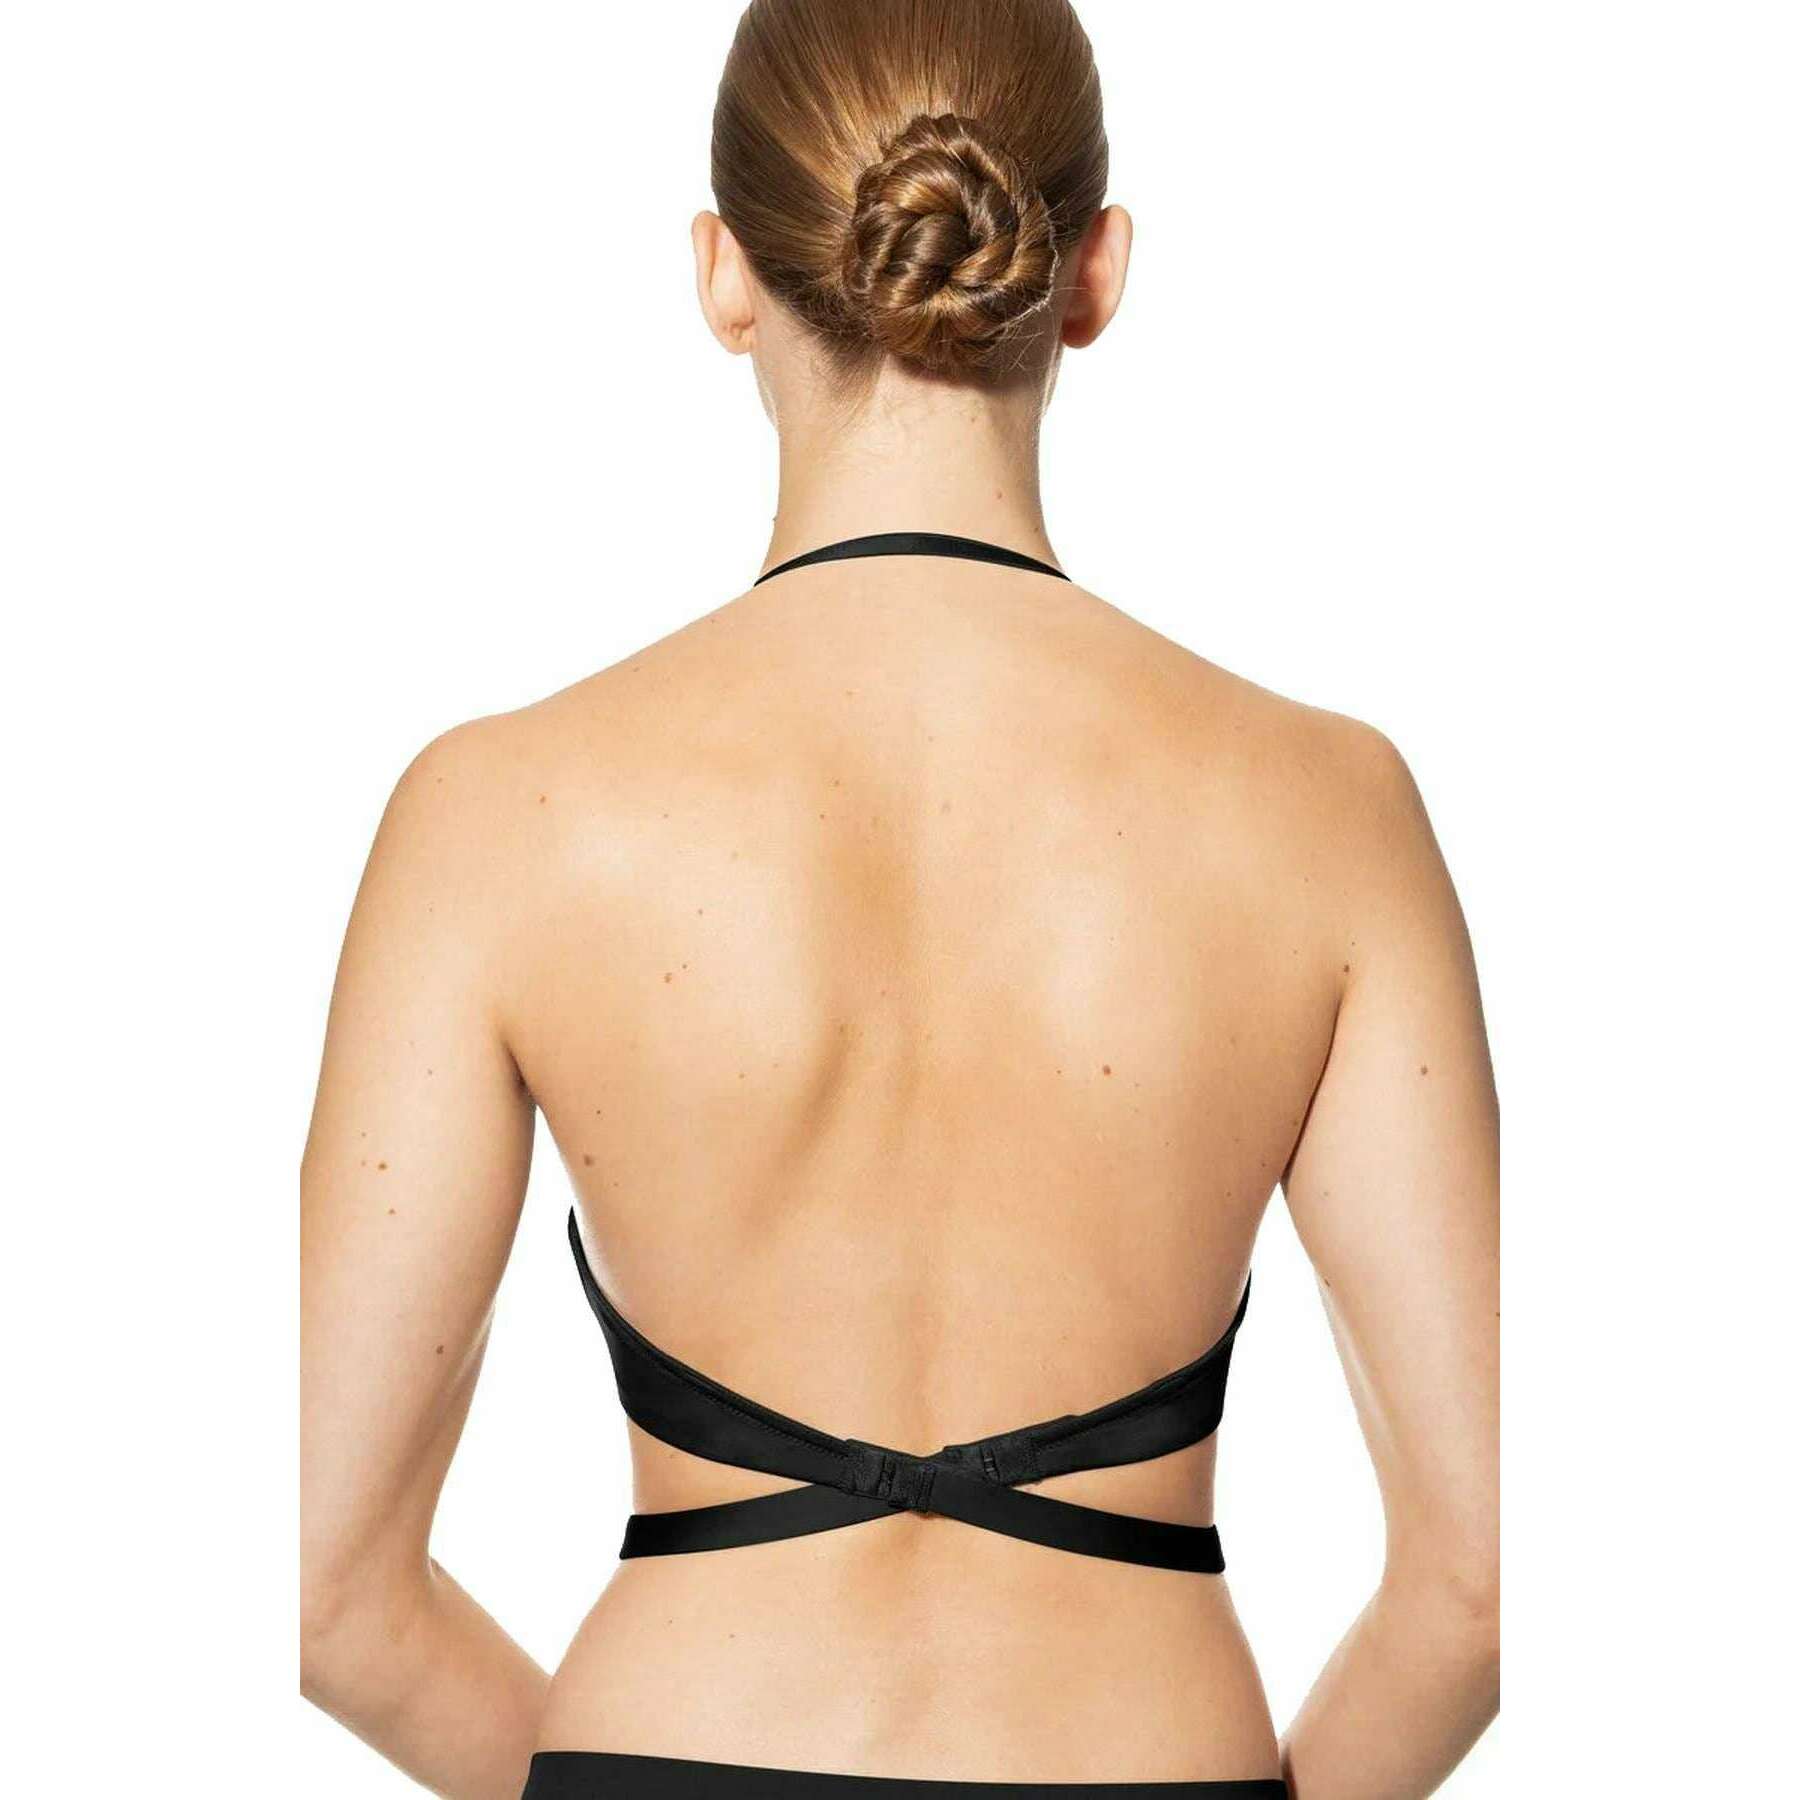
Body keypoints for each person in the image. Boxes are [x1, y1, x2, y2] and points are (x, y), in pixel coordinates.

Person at [299, 3, 1500, 1796]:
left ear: (723, 274)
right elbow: (1481, 1591)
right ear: (1094, 272)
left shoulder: (498, 815)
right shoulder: (1331, 811)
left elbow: (329, 1599)